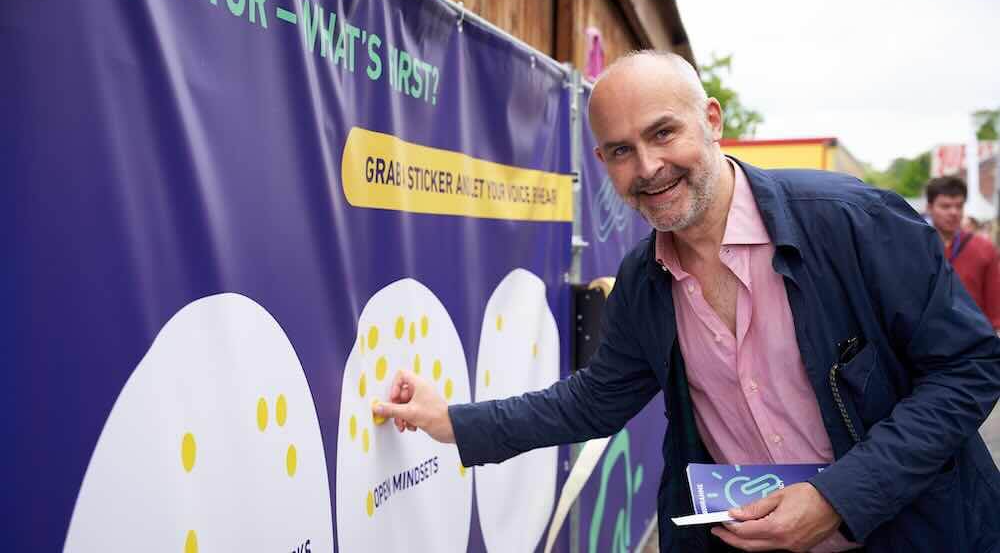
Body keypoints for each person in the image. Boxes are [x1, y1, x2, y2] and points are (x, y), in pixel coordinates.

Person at [373, 51, 1000, 552]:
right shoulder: (645, 282)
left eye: (663, 132)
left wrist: (840, 498)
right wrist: (451, 421)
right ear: (602, 162)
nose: (648, 167)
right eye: (621, 151)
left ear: (713, 120)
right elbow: (591, 402)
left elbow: (968, 367)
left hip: (916, 530)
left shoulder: (852, 221)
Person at [925, 176, 1000, 331]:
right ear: (929, 207)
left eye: (959, 206)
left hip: (974, 340)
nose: (954, 212)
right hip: (929, 340)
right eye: (945, 206)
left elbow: (995, 303)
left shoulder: (984, 249)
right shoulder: (916, 248)